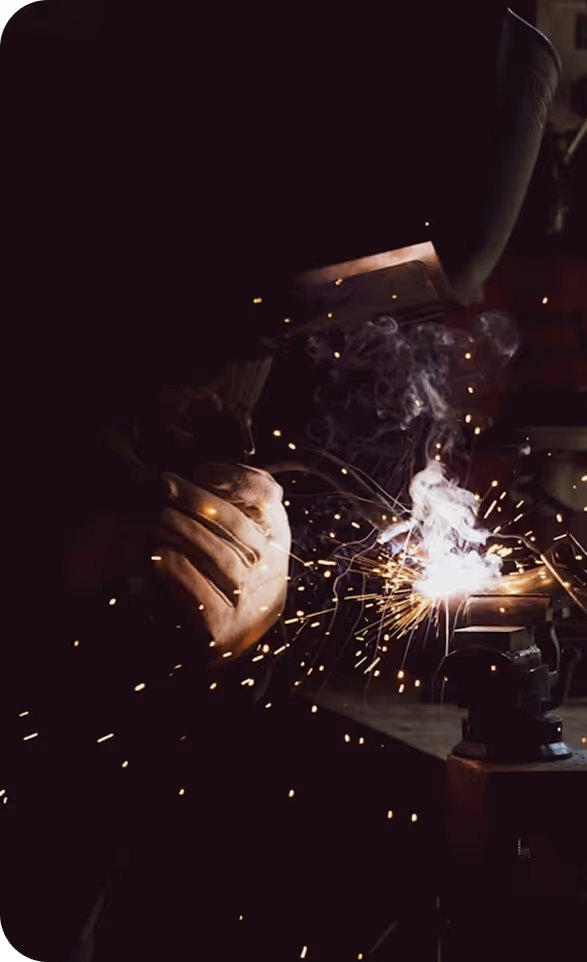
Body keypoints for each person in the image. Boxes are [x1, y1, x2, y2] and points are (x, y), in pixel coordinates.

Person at [0, 2, 540, 958]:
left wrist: (262, 582)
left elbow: (327, 521)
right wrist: (56, 546)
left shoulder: (292, 316)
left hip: (129, 785)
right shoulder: (63, 182)